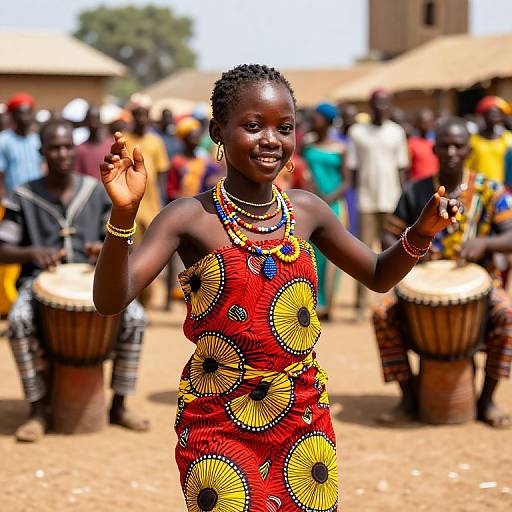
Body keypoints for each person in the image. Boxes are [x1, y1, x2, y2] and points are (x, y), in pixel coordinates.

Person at [94, 64, 458, 511]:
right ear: (217, 132)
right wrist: (124, 217)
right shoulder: (187, 218)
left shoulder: (308, 211)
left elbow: (379, 274)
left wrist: (422, 232)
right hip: (218, 420)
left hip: (302, 416)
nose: (271, 139)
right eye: (252, 126)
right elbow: (110, 300)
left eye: (284, 127)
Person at [0, 119, 149, 442]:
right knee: (19, 321)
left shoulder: (96, 190)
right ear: (42, 151)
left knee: (137, 318)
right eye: (55, 147)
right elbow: (3, 247)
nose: (63, 153)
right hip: (39, 283)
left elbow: (123, 237)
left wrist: (104, 247)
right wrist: (31, 253)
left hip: (93, 281)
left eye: (68, 146)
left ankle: (120, 404)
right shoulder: (23, 196)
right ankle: (38, 409)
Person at [373, 117, 512, 428]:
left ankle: (488, 399)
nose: (451, 151)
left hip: (481, 288)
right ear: (434, 148)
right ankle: (408, 397)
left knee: (507, 314)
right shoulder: (417, 191)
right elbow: (387, 236)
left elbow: (511, 235)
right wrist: (414, 252)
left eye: (458, 146)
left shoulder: (489, 190)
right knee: (382, 313)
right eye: (445, 145)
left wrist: (485, 243)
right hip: (419, 287)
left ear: (468, 150)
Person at [346, 89, 409, 320]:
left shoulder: (397, 132)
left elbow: (402, 169)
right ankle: (360, 306)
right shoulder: (357, 132)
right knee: (363, 254)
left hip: (392, 200)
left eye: (385, 104)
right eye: (377, 104)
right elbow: (352, 168)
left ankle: (394, 303)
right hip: (366, 200)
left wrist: (404, 200)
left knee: (394, 252)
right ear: (370, 106)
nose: (381, 108)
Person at [303, 102, 351, 319]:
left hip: (333, 206)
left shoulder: (340, 148)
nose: (313, 121)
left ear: (327, 121)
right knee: (311, 255)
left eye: (317, 118)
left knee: (332, 255)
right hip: (310, 204)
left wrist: (329, 198)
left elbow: (347, 181)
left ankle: (328, 305)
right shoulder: (306, 145)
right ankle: (312, 302)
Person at [124, 94, 170, 306]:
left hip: (151, 209)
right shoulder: (124, 140)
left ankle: (146, 303)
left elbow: (161, 177)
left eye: (144, 115)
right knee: (131, 255)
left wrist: (161, 207)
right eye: (137, 115)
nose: (141, 119)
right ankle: (132, 302)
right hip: (130, 209)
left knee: (151, 258)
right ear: (132, 116)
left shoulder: (155, 142)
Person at [0, 93, 42, 199]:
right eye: (21, 113)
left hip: (37, 198)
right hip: (12, 199)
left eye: (28, 113)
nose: (25, 117)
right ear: (13, 115)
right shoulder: (3, 140)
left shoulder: (37, 140)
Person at [466, 96, 512, 183]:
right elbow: (468, 165)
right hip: (479, 186)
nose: (495, 117)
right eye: (491, 114)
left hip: (503, 188)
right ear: (484, 115)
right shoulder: (474, 140)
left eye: (498, 114)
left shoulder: (508, 138)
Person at [76, 106, 112, 180]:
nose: (93, 124)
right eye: (90, 120)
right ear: (86, 122)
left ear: (100, 121)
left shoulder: (110, 144)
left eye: (96, 119)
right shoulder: (80, 149)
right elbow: (78, 176)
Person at [407, 109, 438, 181]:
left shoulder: (437, 142)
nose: (427, 125)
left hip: (435, 184)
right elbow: (407, 168)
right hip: (418, 185)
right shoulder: (411, 143)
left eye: (429, 121)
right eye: (424, 122)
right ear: (417, 123)